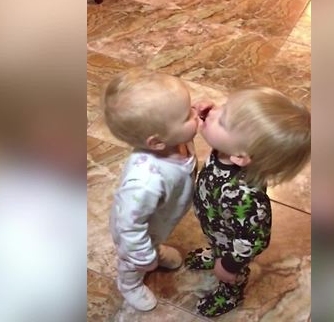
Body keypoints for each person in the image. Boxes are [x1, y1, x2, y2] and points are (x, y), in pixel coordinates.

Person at [186, 87, 311, 317]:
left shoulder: (246, 198)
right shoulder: (228, 148)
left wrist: (229, 265)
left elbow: (253, 241)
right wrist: (211, 114)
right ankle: (216, 252)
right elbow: (219, 130)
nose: (215, 111)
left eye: (222, 120)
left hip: (232, 246)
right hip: (217, 226)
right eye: (226, 107)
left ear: (241, 157)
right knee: (217, 243)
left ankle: (230, 294)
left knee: (231, 271)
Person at [102, 69, 200, 311]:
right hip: (136, 232)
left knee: (155, 239)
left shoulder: (176, 139)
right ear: (156, 142)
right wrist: (141, 254)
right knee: (133, 262)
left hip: (159, 221)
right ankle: (130, 284)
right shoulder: (145, 181)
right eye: (188, 114)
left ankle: (155, 250)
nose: (196, 114)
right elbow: (129, 224)